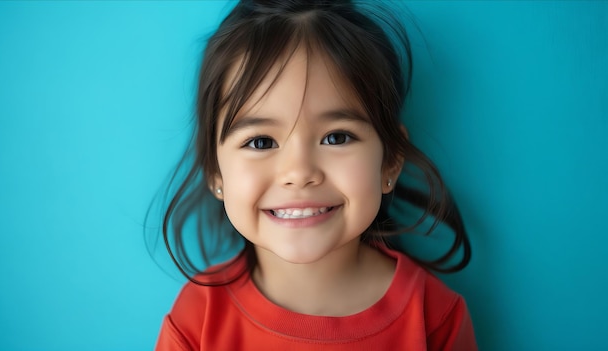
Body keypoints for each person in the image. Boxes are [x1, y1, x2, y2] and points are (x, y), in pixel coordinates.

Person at [153, 0, 477, 349]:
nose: (299, 172)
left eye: (336, 137)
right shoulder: (196, 320)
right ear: (216, 173)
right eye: (261, 141)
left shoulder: (435, 318)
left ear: (391, 161)